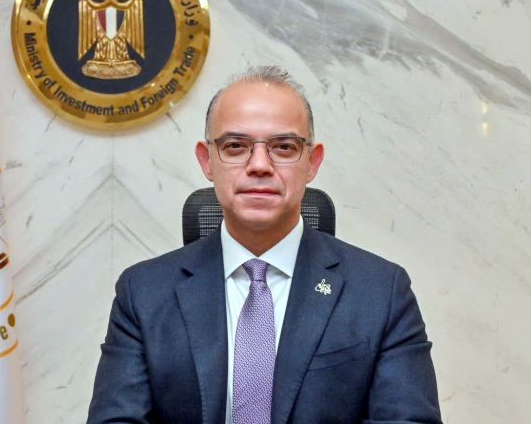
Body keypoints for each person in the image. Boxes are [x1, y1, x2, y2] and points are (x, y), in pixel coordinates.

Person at [88, 66, 441, 424]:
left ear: (312, 162)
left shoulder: (381, 292)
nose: (259, 165)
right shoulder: (143, 293)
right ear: (207, 160)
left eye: (284, 147)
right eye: (235, 146)